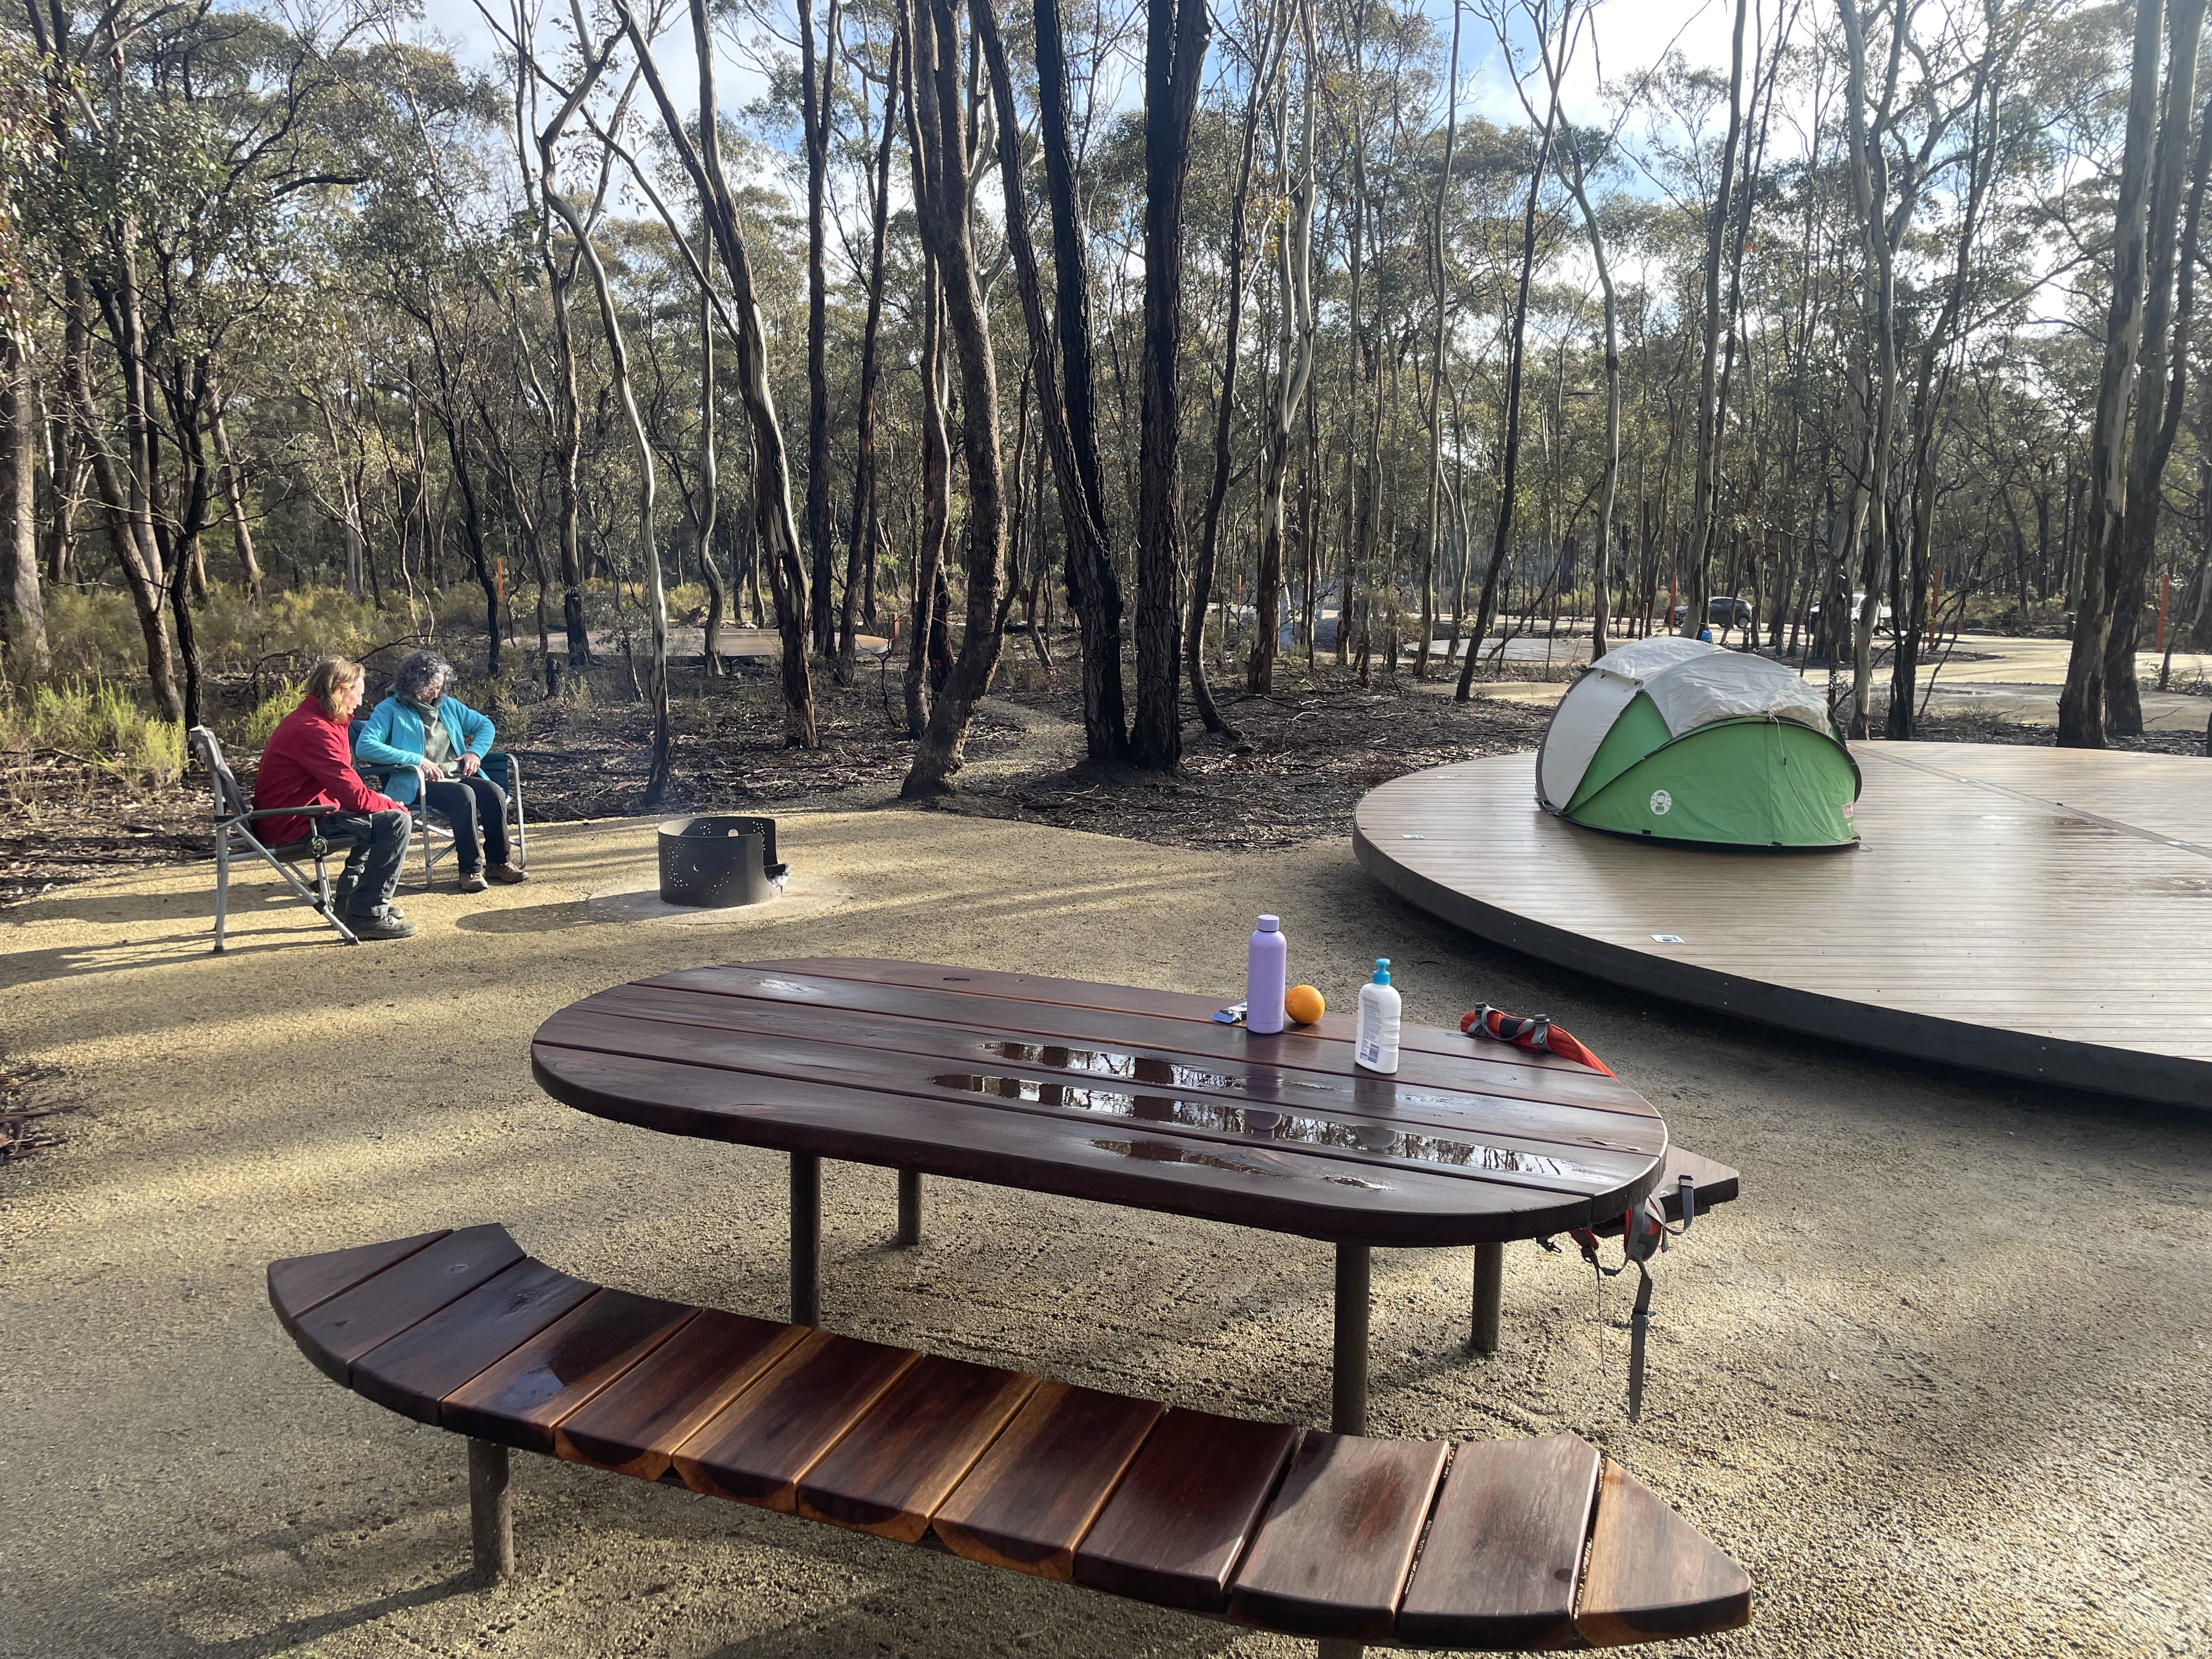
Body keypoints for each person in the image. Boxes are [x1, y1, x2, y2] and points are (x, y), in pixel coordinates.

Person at [253, 657, 416, 941]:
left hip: (292, 816)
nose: (361, 701)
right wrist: (391, 805)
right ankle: (367, 913)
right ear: (341, 691)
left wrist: (377, 800)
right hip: (292, 825)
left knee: (379, 817)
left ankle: (352, 902)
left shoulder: (314, 721)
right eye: (359, 693)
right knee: (395, 822)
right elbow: (352, 795)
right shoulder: (315, 729)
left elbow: (345, 787)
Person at [354, 651, 528, 894]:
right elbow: (366, 746)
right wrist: (416, 760)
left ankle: (498, 863)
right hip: (416, 783)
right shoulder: (390, 709)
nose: (436, 693)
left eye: (439, 686)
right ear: (414, 685)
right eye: (431, 688)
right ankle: (470, 870)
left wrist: (475, 753)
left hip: (455, 774)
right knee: (463, 795)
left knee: (493, 792)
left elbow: (484, 725)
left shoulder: (448, 705)